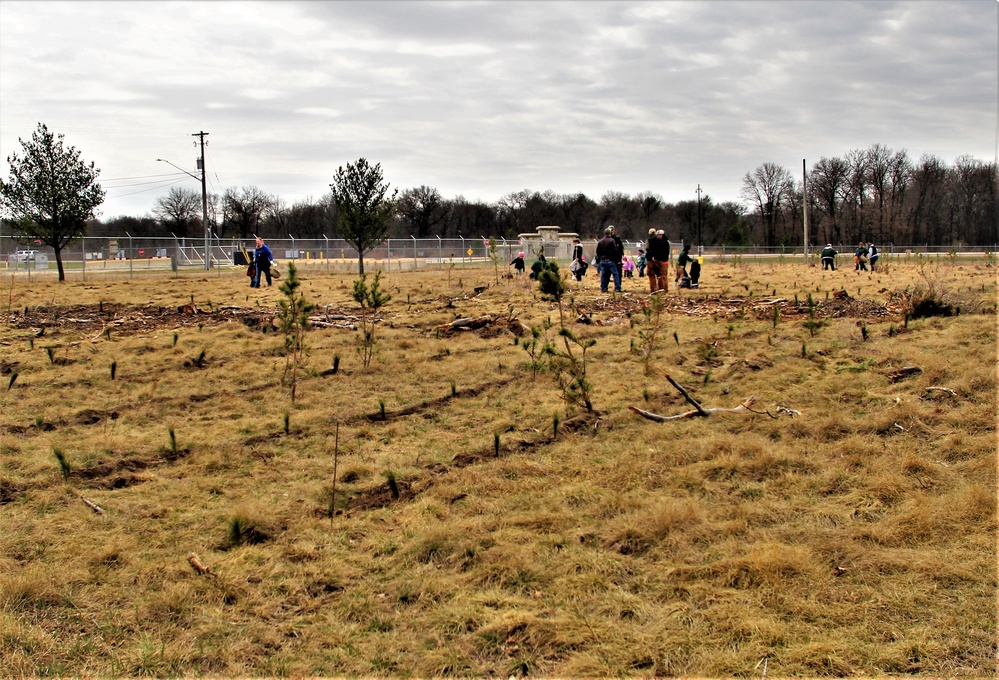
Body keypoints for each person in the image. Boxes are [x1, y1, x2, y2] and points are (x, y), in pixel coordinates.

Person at [595, 227, 621, 293]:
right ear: (610, 233)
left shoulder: (600, 241)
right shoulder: (612, 241)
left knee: (604, 275)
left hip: (603, 260)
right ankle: (617, 288)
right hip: (610, 260)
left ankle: (603, 288)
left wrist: (599, 259)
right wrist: (617, 260)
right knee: (615, 274)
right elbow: (615, 251)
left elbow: (598, 252)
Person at [646, 228, 670, 293]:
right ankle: (662, 289)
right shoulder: (661, 241)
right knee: (660, 275)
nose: (659, 236)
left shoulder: (649, 241)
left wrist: (652, 256)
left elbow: (648, 249)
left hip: (656, 261)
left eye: (660, 235)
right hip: (659, 261)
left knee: (654, 275)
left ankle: (656, 289)